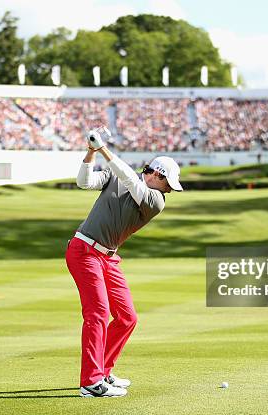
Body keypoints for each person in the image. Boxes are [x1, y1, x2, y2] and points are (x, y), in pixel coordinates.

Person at [65, 126, 183, 398]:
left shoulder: (155, 200)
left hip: (108, 257)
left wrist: (104, 148)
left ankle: (103, 369)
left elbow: (131, 180)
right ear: (156, 174)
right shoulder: (117, 177)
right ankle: (91, 382)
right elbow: (84, 181)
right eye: (168, 183)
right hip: (84, 250)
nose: (170, 190)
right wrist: (91, 151)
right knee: (97, 313)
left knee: (127, 317)